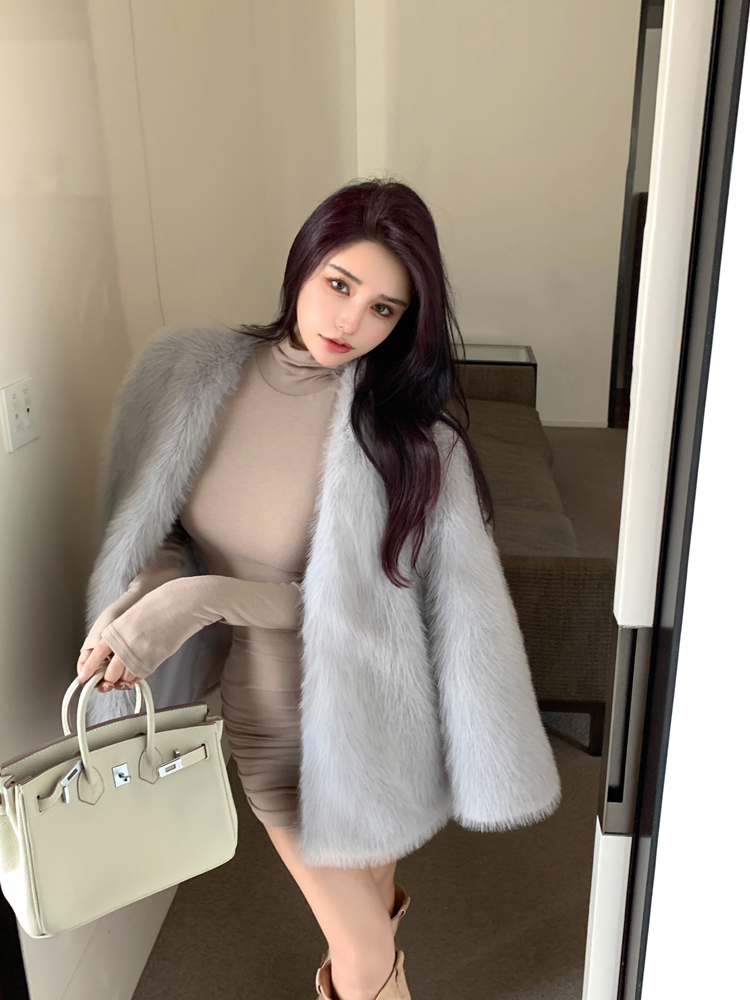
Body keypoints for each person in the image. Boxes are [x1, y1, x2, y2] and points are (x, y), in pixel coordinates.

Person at [76, 177, 561, 1000]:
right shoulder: (189, 378)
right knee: (363, 940)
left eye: (383, 308)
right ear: (304, 262)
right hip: (276, 723)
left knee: (366, 930)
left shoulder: (403, 439)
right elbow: (164, 532)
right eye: (340, 284)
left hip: (383, 723)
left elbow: (370, 603)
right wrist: (151, 597)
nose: (349, 321)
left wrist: (199, 601)